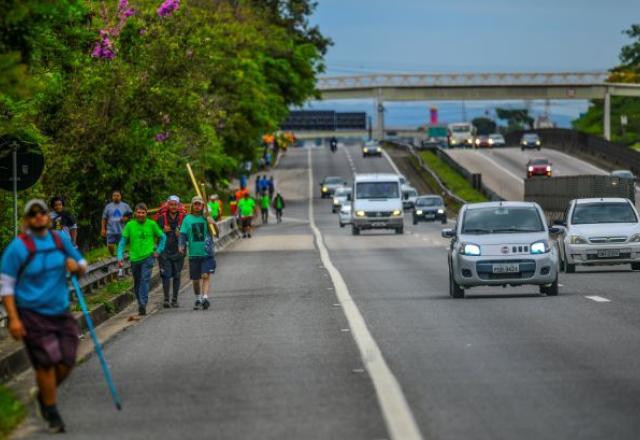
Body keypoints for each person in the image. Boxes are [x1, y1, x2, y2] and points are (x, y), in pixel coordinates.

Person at [1, 199, 87, 433]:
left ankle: (43, 393)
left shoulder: (60, 240)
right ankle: (51, 410)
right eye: (33, 214)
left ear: (49, 218)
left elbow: (82, 264)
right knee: (46, 362)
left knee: (67, 360)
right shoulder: (18, 248)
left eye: (42, 213)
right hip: (31, 313)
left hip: (60, 310)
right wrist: (14, 318)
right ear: (27, 220)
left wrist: (76, 266)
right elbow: (6, 286)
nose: (39, 217)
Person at [117, 203, 165, 316]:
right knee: (137, 282)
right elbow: (122, 242)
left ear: (146, 214)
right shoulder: (130, 225)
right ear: (135, 213)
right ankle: (140, 303)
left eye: (143, 213)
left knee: (145, 280)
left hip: (148, 257)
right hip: (134, 258)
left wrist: (158, 250)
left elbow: (163, 237)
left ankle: (143, 304)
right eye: (138, 212)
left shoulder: (152, 224)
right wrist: (119, 257)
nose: (141, 215)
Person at [179, 196, 219, 311]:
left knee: (205, 275)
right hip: (193, 254)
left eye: (200, 204)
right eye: (195, 204)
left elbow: (216, 234)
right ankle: (198, 298)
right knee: (196, 281)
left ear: (203, 206)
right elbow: (182, 234)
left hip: (207, 253)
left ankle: (205, 298)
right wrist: (181, 246)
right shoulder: (187, 219)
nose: (197, 206)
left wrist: (213, 223)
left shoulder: (207, 218)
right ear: (192, 205)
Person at [157, 196, 185, 308]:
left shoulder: (184, 218)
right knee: (166, 275)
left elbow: (189, 233)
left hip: (179, 251)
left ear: (178, 206)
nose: (173, 207)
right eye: (171, 204)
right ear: (167, 205)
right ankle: (166, 299)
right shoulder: (161, 218)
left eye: (175, 205)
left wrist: (182, 234)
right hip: (164, 252)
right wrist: (162, 231)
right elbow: (155, 233)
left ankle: (175, 299)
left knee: (177, 275)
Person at [101, 190, 132, 256]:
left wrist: (126, 218)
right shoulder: (108, 206)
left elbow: (131, 214)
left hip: (122, 230)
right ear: (112, 197)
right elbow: (104, 218)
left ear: (120, 197)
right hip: (110, 230)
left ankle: (119, 257)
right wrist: (103, 229)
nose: (116, 197)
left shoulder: (125, 205)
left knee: (120, 245)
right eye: (114, 195)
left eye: (117, 195)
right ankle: (112, 255)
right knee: (110, 245)